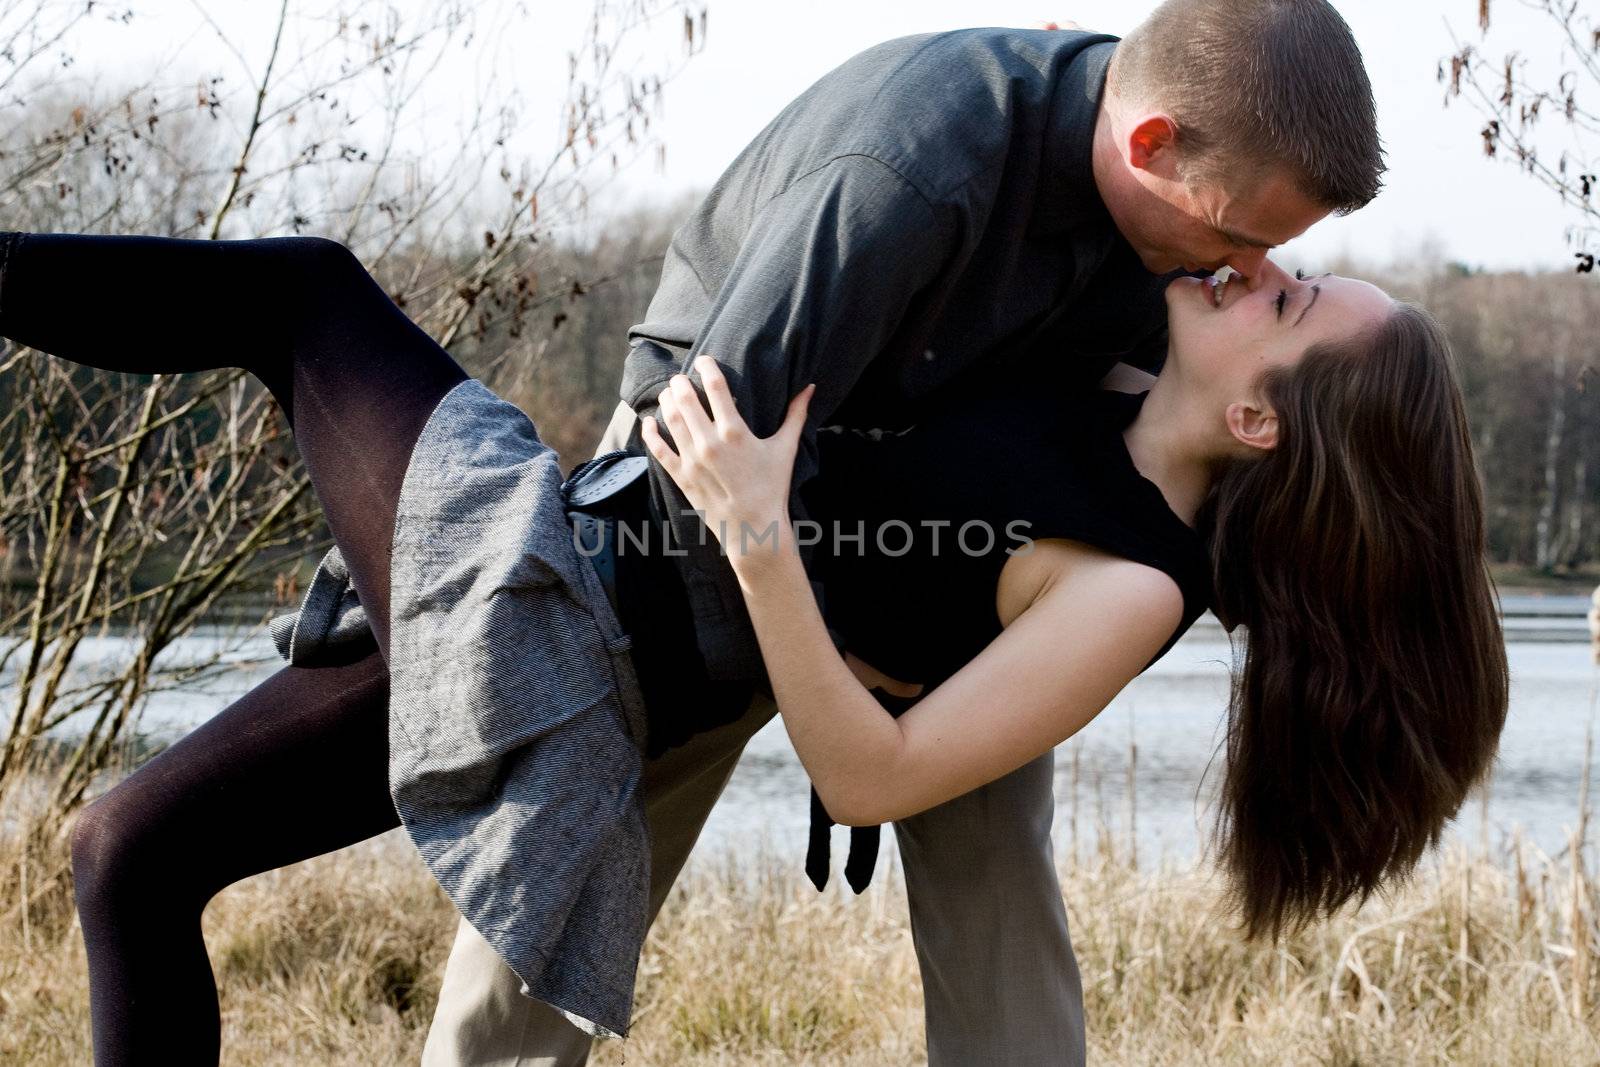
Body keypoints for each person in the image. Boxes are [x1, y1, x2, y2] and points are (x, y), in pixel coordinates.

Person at [423, 2, 1394, 1063]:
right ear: (1149, 144)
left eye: (1274, 251)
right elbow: (716, 433)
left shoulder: (1186, 209)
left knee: (994, 861)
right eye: (1235, 233)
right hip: (707, 491)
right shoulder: (907, 170)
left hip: (984, 537)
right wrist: (841, 648)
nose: (1241, 267)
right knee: (589, 828)